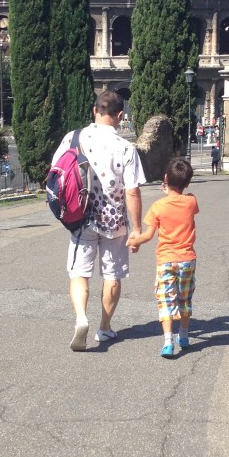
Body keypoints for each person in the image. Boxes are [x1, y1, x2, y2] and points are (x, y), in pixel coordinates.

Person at [51, 90, 145, 351]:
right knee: (112, 275)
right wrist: (137, 229)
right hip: (115, 222)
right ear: (120, 116)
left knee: (79, 273)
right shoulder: (126, 148)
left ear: (95, 111)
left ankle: (81, 317)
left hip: (80, 217)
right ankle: (104, 328)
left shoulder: (73, 138)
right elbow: (133, 191)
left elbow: (56, 172)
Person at [127, 157, 199, 358]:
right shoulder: (191, 201)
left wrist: (135, 242)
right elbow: (183, 199)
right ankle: (183, 336)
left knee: (166, 301)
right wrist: (172, 190)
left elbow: (149, 235)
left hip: (166, 259)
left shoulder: (158, 206)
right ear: (187, 183)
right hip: (187, 258)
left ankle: (168, 342)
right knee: (184, 299)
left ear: (166, 179)